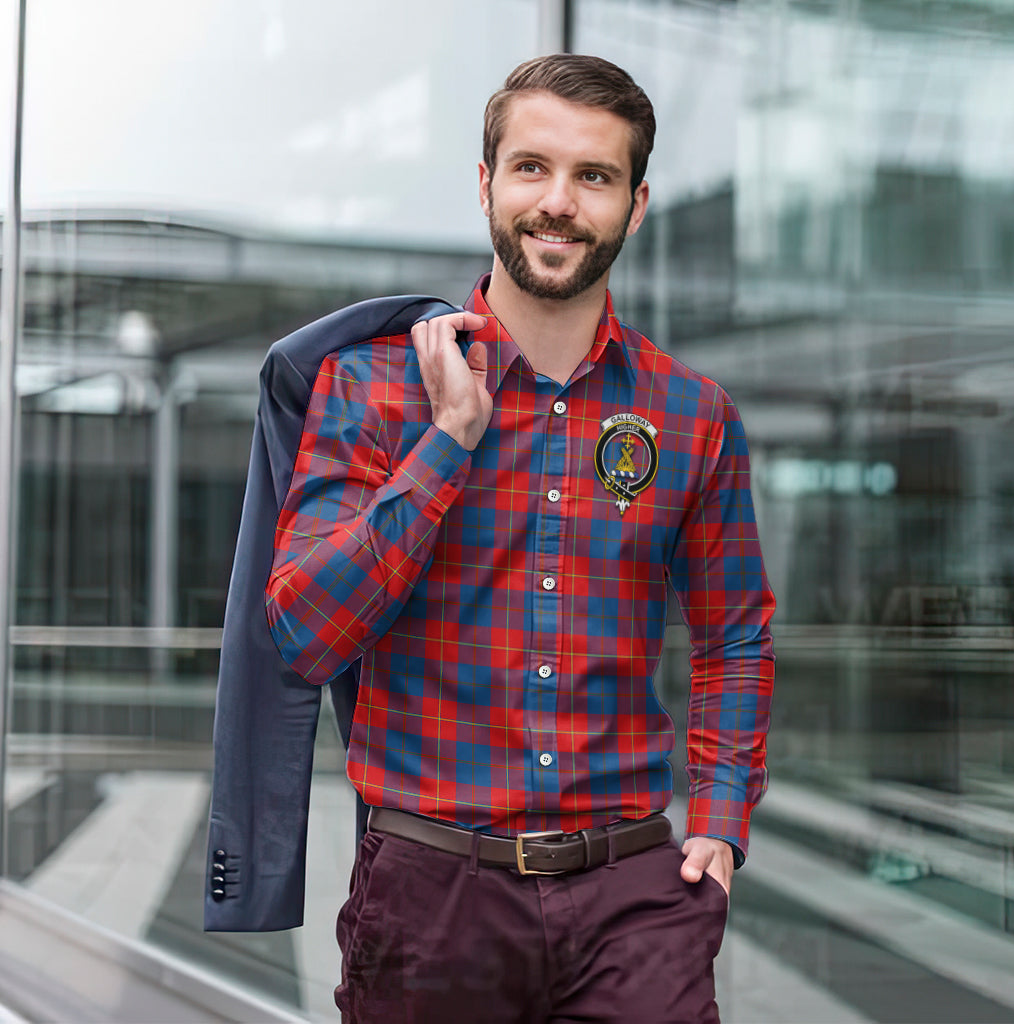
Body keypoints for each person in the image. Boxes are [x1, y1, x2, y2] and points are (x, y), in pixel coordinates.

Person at [265, 53, 775, 1024]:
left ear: (636, 202)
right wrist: (449, 440)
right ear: (486, 182)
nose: (559, 202)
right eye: (532, 167)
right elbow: (303, 633)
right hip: (431, 896)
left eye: (595, 176)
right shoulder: (371, 388)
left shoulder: (692, 414)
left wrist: (717, 817)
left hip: (634, 897)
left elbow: (735, 633)